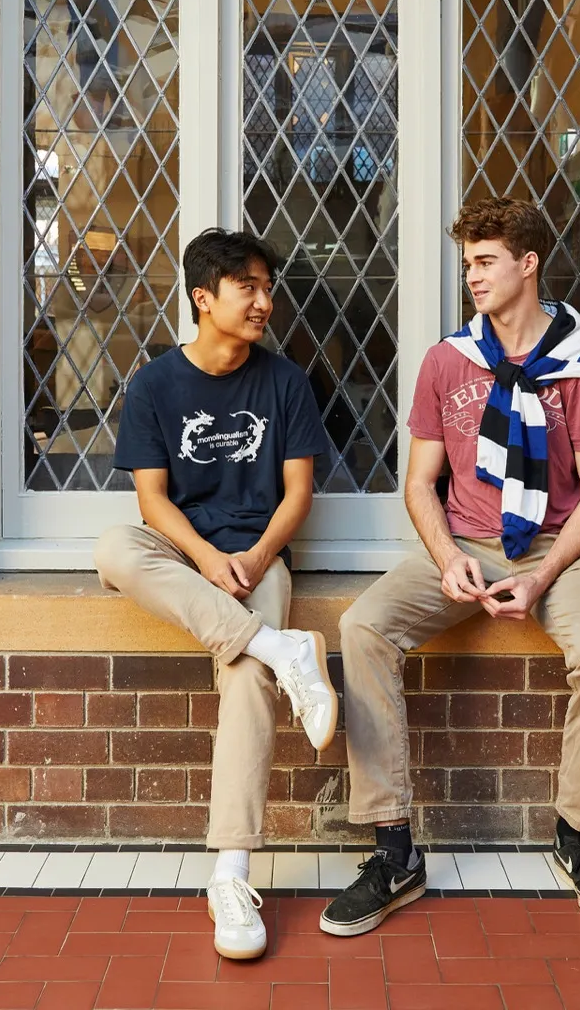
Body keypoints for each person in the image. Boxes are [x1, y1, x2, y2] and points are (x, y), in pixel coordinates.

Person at [321, 197, 580, 936]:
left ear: (528, 264)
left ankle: (576, 836)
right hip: (464, 542)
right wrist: (447, 558)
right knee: (363, 626)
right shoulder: (447, 360)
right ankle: (394, 848)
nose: (473, 276)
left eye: (487, 261)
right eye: (468, 263)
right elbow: (418, 483)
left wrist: (541, 576)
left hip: (557, 550)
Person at [93, 228, 339, 961]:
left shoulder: (285, 382)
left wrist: (256, 557)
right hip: (185, 552)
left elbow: (299, 494)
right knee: (113, 549)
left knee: (246, 675)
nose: (265, 302)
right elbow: (151, 503)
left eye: (268, 288)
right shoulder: (155, 385)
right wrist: (204, 558)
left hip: (258, 555)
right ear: (204, 298)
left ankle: (230, 873)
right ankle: (284, 648)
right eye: (248, 288)